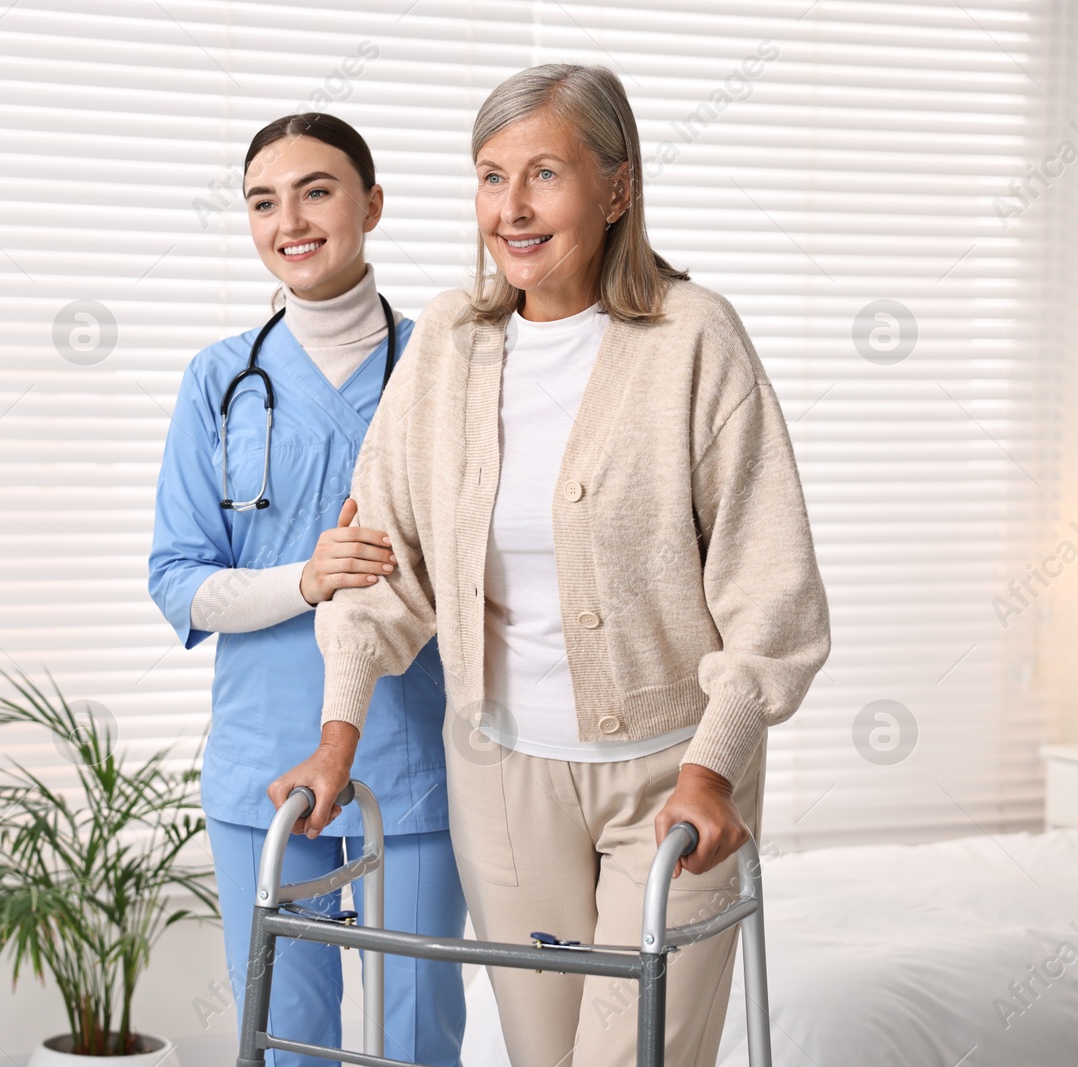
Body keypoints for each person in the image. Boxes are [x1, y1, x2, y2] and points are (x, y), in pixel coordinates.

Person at [268, 66, 831, 1067]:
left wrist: (711, 769)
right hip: (502, 776)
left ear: (616, 189)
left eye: (543, 175)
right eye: (490, 177)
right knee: (543, 1055)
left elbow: (771, 590)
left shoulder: (694, 337)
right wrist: (335, 734)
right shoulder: (447, 340)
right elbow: (384, 560)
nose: (511, 208)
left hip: (673, 777)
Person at [148, 112, 467, 1067]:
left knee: (418, 1027)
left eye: (316, 190)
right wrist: (306, 576)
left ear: (371, 203)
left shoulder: (441, 368)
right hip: (261, 757)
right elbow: (179, 579)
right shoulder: (219, 379)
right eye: (262, 201)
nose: (290, 219)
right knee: (289, 1037)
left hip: (412, 754)